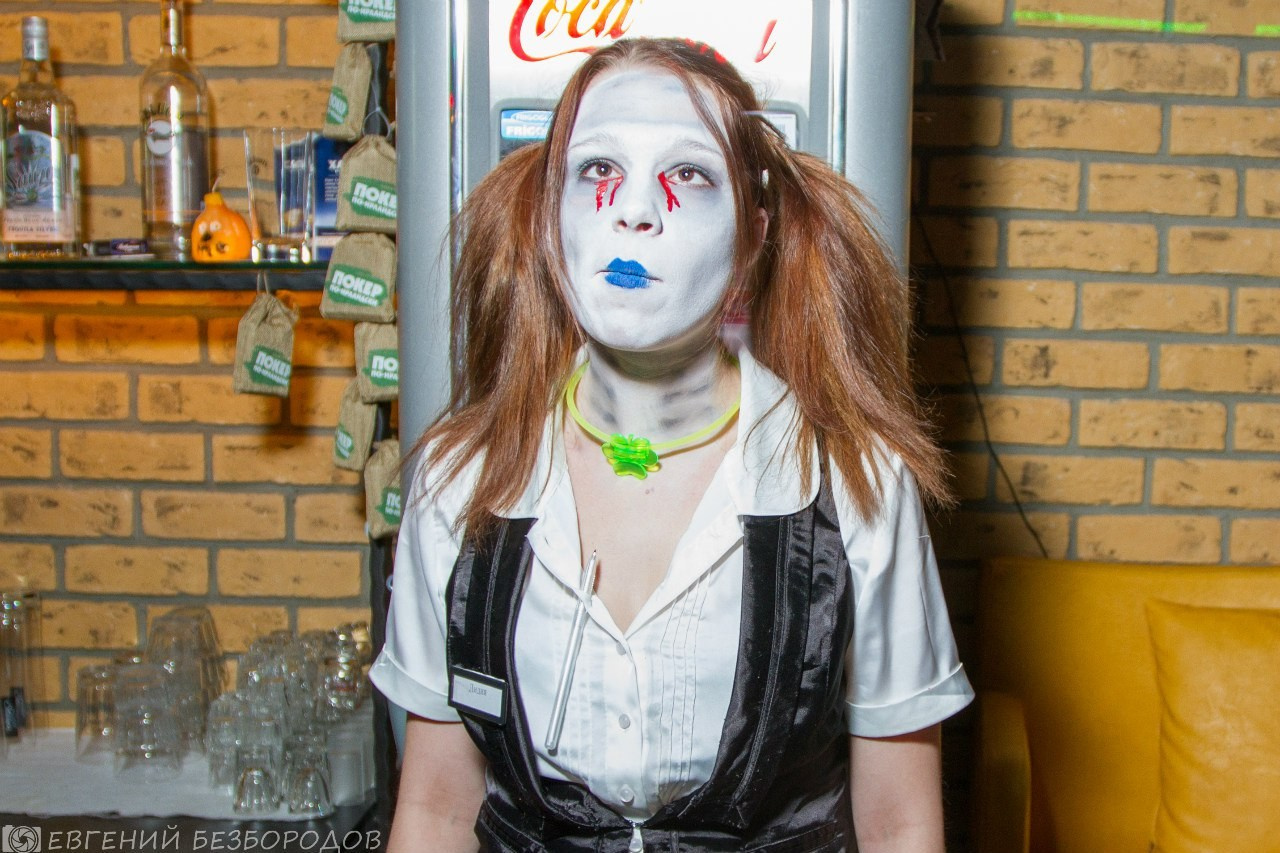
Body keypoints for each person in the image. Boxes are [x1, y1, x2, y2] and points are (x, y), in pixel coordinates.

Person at [370, 37, 973, 853]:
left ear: (752, 236)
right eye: (598, 168)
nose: (634, 210)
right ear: (550, 219)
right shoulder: (458, 479)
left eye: (688, 173)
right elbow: (438, 809)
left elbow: (900, 823)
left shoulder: (858, 482)